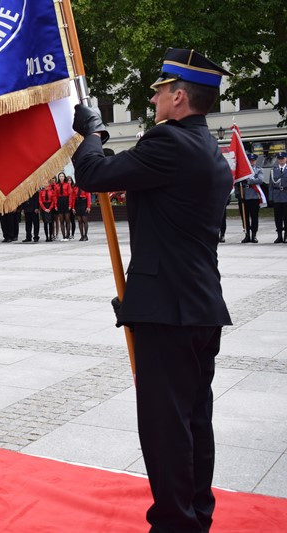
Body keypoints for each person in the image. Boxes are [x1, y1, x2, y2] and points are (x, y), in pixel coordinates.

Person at [71, 48, 232, 532]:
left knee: (165, 428)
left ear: (179, 96)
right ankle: (195, 516)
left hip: (170, 313)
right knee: (193, 422)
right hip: (197, 305)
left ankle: (174, 524)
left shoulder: (167, 142)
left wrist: (90, 133)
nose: (156, 96)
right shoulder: (208, 149)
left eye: (161, 89)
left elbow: (93, 175)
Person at [238, 153, 264, 243]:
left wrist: (249, 180)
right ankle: (247, 235)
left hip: (254, 196)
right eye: (250, 160)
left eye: (253, 160)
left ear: (255, 161)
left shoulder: (258, 170)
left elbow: (260, 180)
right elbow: (237, 183)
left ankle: (254, 235)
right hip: (243, 197)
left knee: (254, 217)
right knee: (244, 217)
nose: (251, 162)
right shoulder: (242, 171)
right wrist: (238, 195)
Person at [270, 151, 287, 243]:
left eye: (283, 158)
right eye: (279, 159)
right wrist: (271, 197)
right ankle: (279, 236)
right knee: (278, 218)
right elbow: (271, 186)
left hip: (286, 195)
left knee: (286, 217)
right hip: (277, 196)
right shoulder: (274, 170)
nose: (281, 160)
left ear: (286, 159)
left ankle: (286, 236)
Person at [54, 172, 73, 240]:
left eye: (62, 176)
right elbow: (55, 196)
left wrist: (70, 204)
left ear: (64, 177)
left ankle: (68, 236)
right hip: (59, 201)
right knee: (61, 220)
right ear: (59, 177)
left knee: (67, 220)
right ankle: (63, 236)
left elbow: (70, 195)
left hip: (66, 200)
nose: (61, 177)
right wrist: (56, 205)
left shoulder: (67, 185)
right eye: (60, 176)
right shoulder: (56, 185)